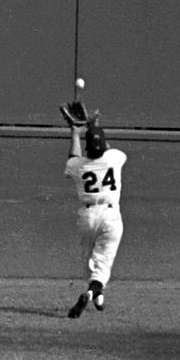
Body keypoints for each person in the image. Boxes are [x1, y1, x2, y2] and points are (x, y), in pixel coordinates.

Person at [63, 118, 125, 319]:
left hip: (88, 216)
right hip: (110, 215)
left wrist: (75, 133)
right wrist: (95, 125)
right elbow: (107, 148)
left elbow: (73, 157)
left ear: (87, 147)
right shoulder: (115, 157)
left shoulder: (77, 165)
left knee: (89, 262)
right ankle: (91, 294)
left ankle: (97, 296)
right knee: (102, 265)